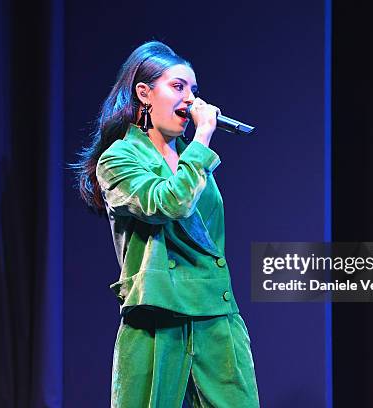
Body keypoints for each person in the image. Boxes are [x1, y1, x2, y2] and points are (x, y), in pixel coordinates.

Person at [74, 41, 259, 408]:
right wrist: (202, 138)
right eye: (178, 87)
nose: (191, 100)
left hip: (216, 315)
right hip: (158, 318)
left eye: (194, 90)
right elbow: (167, 203)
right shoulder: (118, 158)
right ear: (144, 93)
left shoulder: (191, 159)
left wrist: (197, 150)